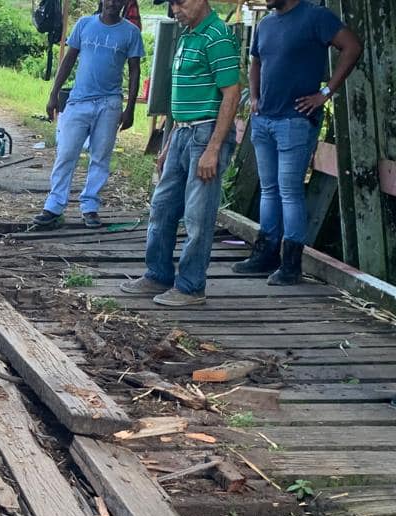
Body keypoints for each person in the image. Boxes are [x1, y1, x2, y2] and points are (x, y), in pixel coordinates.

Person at [230, 0, 361, 285]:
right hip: (264, 119)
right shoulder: (265, 24)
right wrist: (254, 97)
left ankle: (291, 264)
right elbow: (256, 61)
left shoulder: (315, 16)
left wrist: (325, 92)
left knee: (289, 191)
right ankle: (265, 254)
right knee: (269, 189)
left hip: (295, 120)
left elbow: (352, 46)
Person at [120, 0, 240, 306]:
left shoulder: (218, 35)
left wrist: (213, 149)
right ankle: (157, 274)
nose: (175, 9)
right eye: (172, 4)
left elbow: (231, 94)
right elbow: (181, 97)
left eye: (180, 2)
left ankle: (190, 285)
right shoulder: (187, 35)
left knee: (198, 216)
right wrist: (169, 142)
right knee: (162, 207)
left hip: (205, 134)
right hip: (182, 132)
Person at [32, 0, 144, 230]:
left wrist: (130, 108)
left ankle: (90, 206)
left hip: (110, 103)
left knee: (101, 157)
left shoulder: (131, 33)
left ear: (124, 3)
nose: (113, 3)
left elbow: (134, 71)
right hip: (79, 101)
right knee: (66, 153)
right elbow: (69, 59)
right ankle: (54, 206)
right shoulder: (84, 25)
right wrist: (53, 94)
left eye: (118, 0)